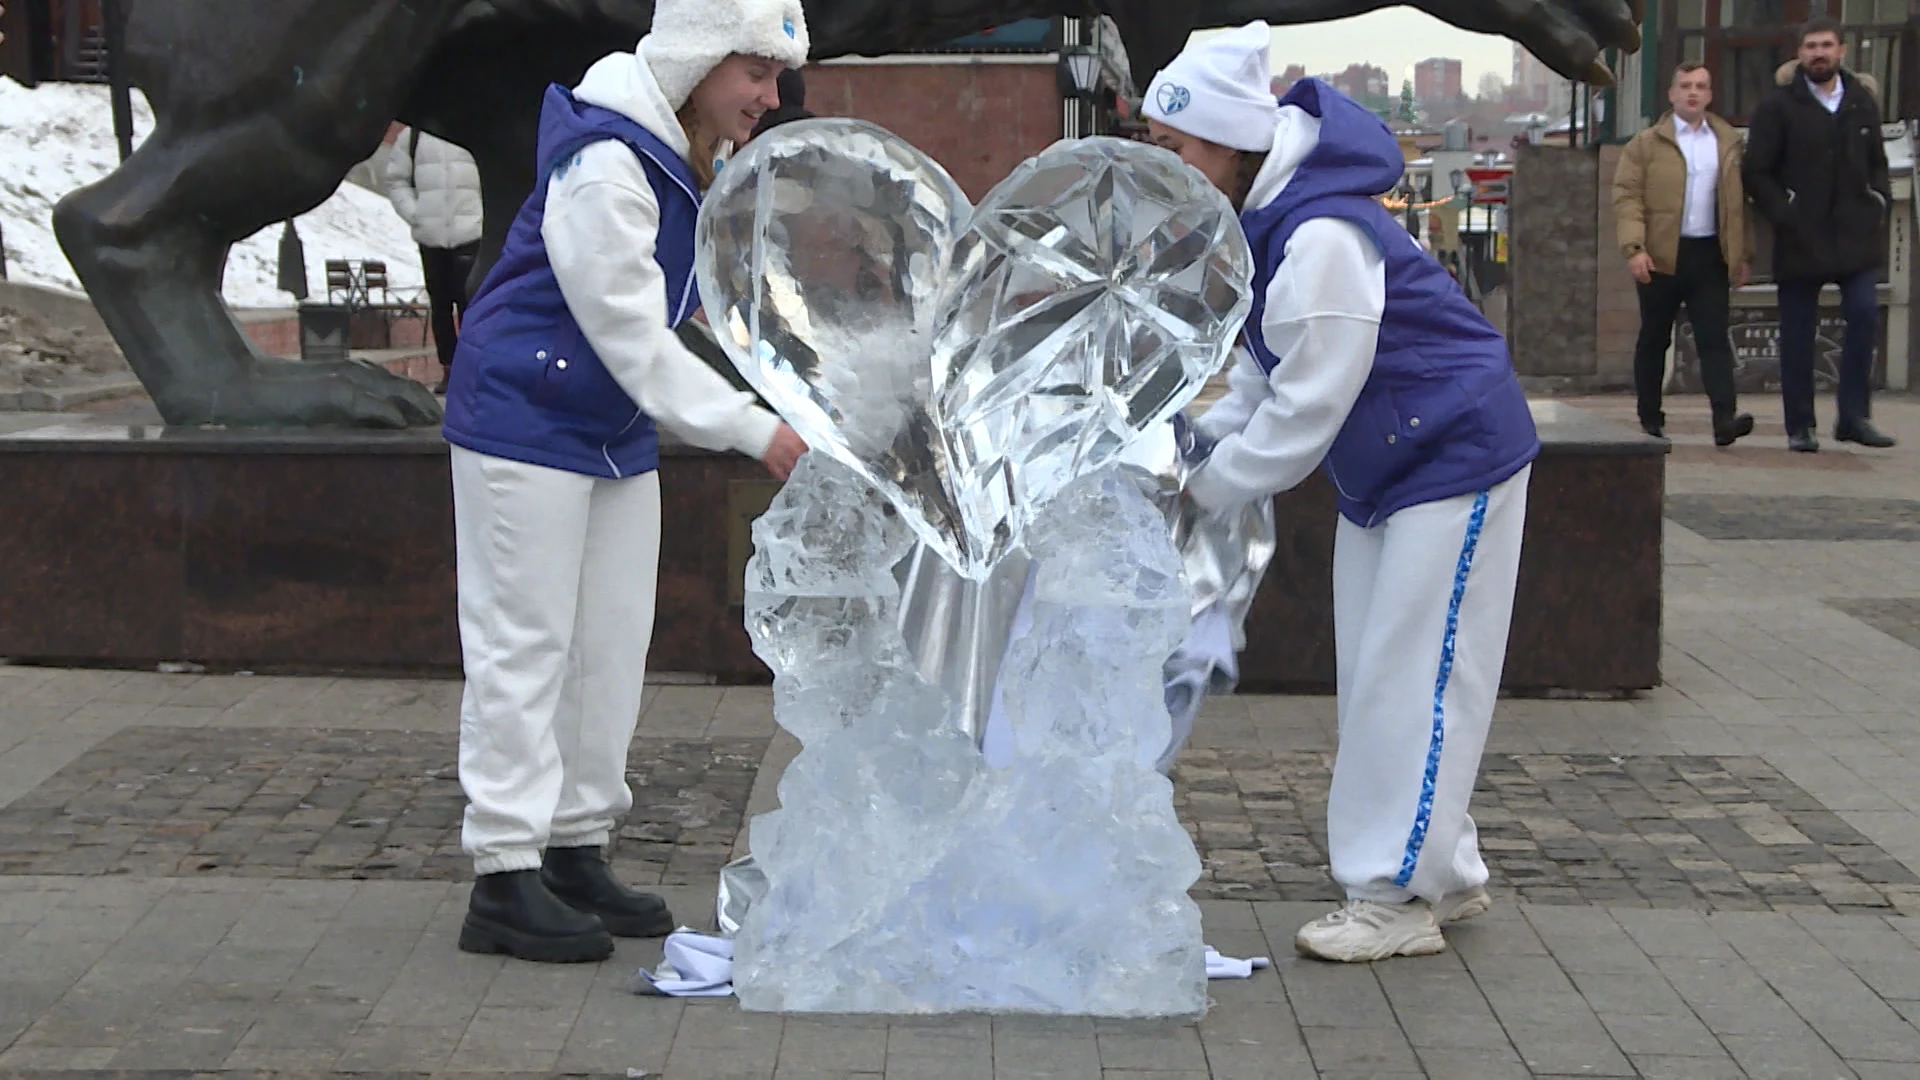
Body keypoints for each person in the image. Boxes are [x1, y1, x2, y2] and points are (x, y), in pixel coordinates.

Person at [1143, 22, 1539, 963]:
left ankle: (1395, 899)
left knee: (1413, 677)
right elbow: (1256, 375)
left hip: (1450, 454)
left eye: (1176, 149)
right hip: (1398, 467)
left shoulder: (1317, 233)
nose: (1168, 169)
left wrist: (1207, 487)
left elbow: (1307, 405)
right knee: (1387, 674)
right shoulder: (1266, 221)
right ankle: (1448, 867)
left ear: (1231, 144)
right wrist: (1185, 448)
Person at [439, 0, 810, 964]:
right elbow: (630, 333)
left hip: (605, 428)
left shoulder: (687, 156)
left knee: (609, 647)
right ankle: (505, 873)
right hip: (522, 416)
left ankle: (573, 846)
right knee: (525, 643)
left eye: (775, 77)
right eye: (756, 73)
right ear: (696, 64)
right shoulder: (608, 163)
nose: (772, 98)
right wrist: (751, 428)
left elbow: (699, 314)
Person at [1743, 16, 1897, 452]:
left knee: (1865, 314)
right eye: (1810, 46)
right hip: (1801, 237)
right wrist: (1784, 211)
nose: (1818, 53)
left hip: (1854, 236)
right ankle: (1801, 425)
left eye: (1826, 45)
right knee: (1797, 333)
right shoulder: (1777, 107)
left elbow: (1877, 161)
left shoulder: (1860, 101)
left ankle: (1853, 416)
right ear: (1799, 53)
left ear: (1841, 51)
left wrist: (1878, 200)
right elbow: (1756, 171)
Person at [1612, 62, 1754, 445]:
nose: (1693, 92)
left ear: (1710, 94)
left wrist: (1741, 253)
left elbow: (1740, 204)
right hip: (1660, 254)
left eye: (1701, 86)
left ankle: (1724, 418)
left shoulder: (1727, 141)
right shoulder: (1646, 144)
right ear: (1672, 94)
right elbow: (1627, 197)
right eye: (1686, 85)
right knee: (1655, 337)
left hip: (1709, 254)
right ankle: (1649, 416)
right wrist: (1634, 248)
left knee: (1713, 337)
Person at [384, 125, 484, 394]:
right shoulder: (413, 137)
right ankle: (449, 369)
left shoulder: (475, 128)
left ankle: (473, 369)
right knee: (440, 306)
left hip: (471, 233)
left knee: (471, 305)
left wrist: (482, 216)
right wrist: (416, 214)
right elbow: (396, 179)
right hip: (431, 236)